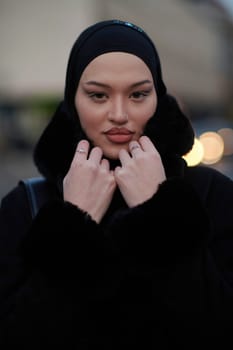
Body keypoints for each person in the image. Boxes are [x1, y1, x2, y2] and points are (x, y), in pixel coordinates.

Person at [0, 19, 233, 349]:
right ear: (72, 100)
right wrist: (72, 226)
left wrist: (160, 217)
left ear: (159, 98)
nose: (120, 114)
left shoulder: (213, 195)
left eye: (138, 94)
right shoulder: (26, 205)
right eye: (98, 95)